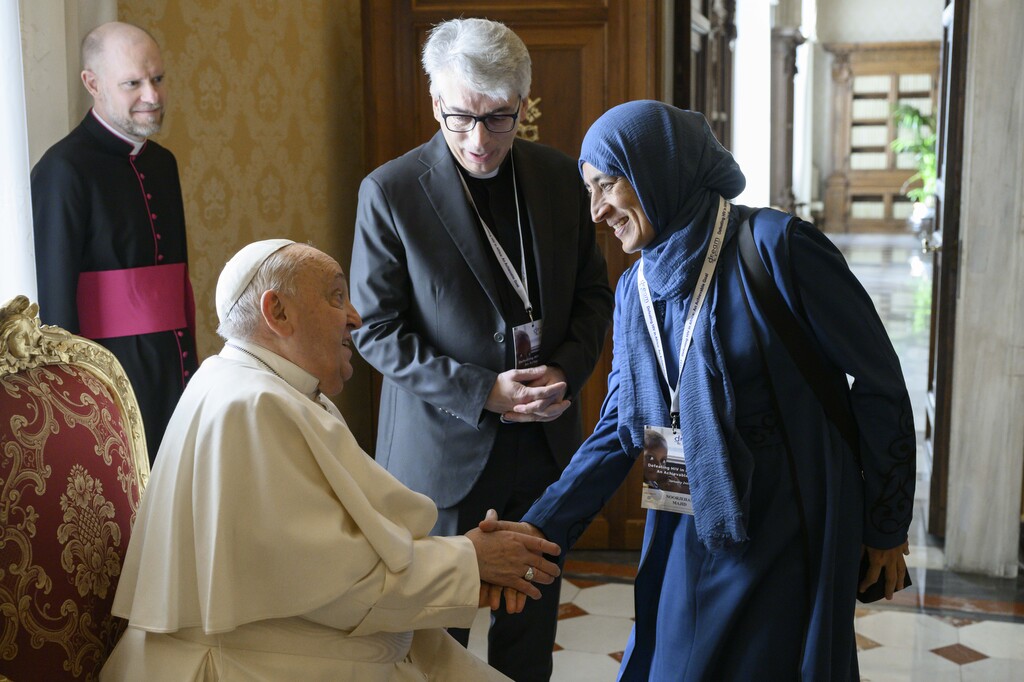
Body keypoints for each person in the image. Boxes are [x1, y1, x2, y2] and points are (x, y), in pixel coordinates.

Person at [487, 101, 916, 680]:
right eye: (589, 190)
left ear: (655, 170)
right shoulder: (637, 286)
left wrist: (884, 526)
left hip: (789, 522)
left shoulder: (777, 248)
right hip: (684, 518)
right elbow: (620, 430)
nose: (596, 211)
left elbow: (878, 381)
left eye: (607, 185)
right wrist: (539, 528)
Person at [101, 240, 563, 681]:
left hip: (291, 643)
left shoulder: (268, 387)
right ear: (277, 312)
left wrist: (469, 564)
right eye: (336, 296)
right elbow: (335, 584)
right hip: (249, 662)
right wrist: (470, 563)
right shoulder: (250, 405)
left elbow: (339, 556)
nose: (356, 317)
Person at [349, 17, 613, 680]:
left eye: (499, 118)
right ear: (434, 98)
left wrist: (565, 370)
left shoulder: (557, 178)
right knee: (436, 642)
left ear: (523, 104)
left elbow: (592, 299)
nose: (478, 138)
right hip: (442, 456)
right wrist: (482, 391)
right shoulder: (391, 191)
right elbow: (377, 330)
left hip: (544, 444)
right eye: (460, 116)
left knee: (531, 628)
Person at [31, 21, 196, 462]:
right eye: (133, 83)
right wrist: (77, 406)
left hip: (174, 369)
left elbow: (177, 286)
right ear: (93, 84)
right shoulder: (63, 170)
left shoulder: (163, 164)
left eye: (158, 79)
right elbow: (56, 311)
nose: (153, 96)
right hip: (108, 383)